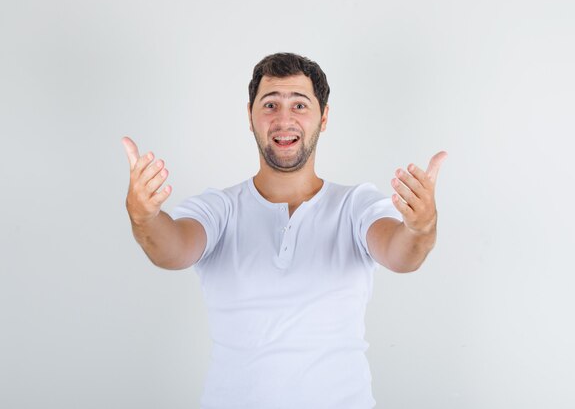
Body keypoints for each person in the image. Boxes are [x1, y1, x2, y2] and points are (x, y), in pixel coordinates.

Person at [122, 52, 447, 408]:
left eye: (300, 105)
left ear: (324, 118)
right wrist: (145, 218)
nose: (284, 119)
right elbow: (172, 250)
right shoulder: (219, 208)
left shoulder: (355, 205)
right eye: (271, 105)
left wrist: (421, 227)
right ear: (250, 117)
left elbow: (401, 255)